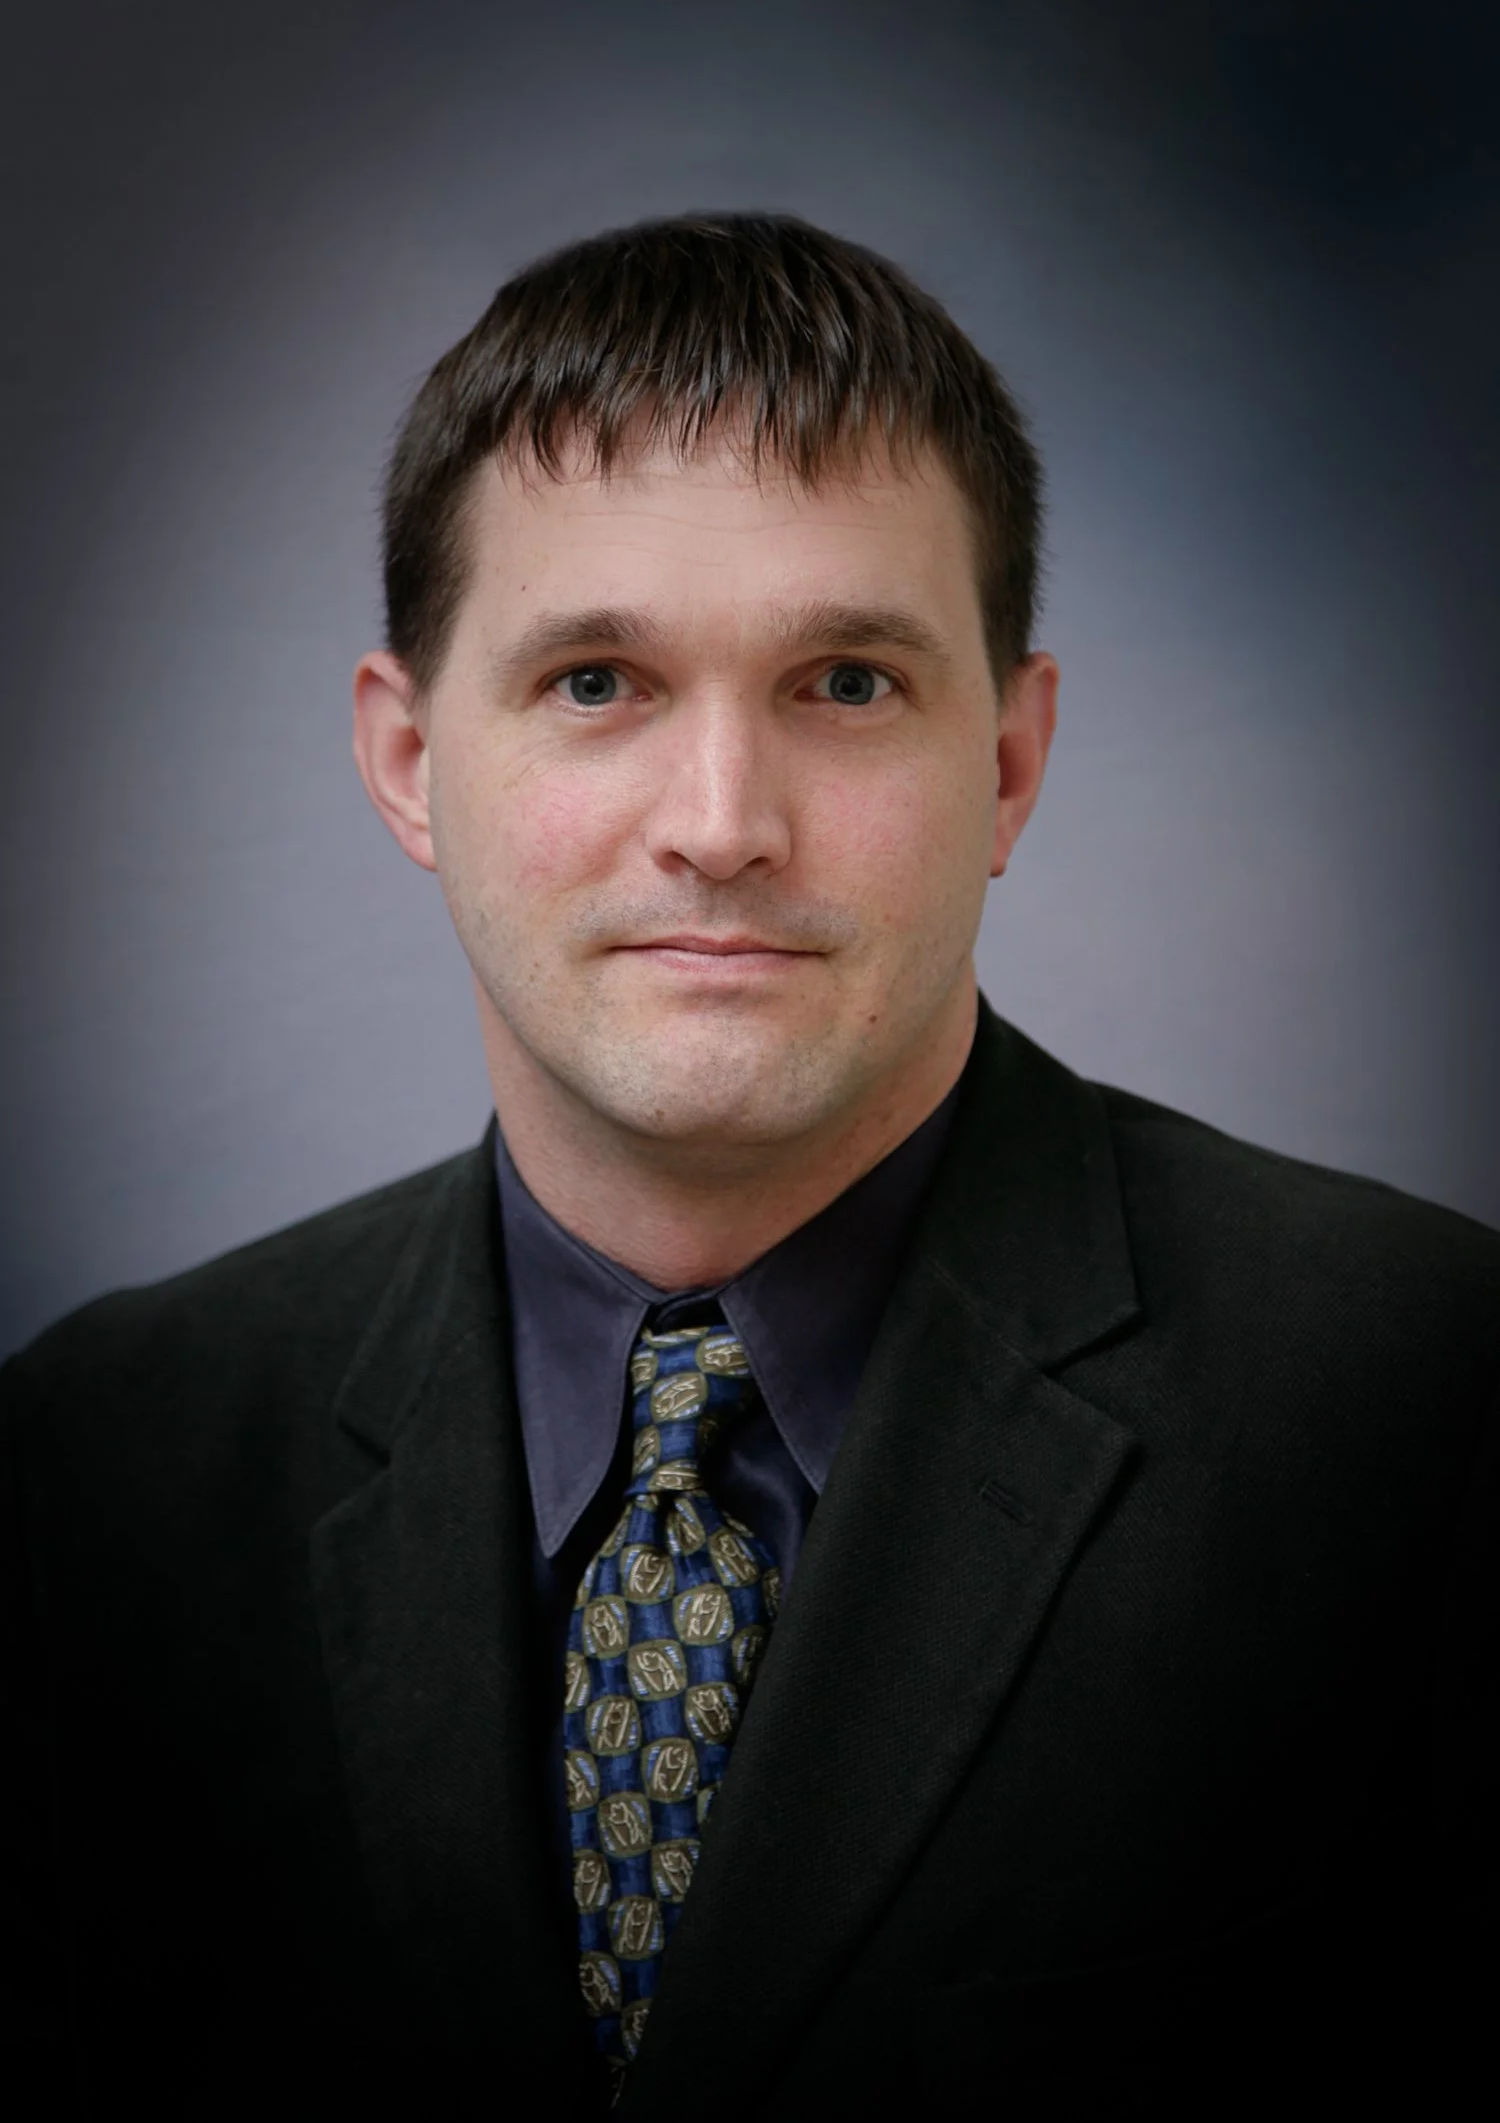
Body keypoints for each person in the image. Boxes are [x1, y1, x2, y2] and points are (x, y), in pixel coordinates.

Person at [3, 212, 1495, 2122]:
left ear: (1014, 764)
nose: (721, 827)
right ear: (407, 761)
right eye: (599, 682)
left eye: (848, 682)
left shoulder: (1431, 1413)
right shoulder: (87, 1481)